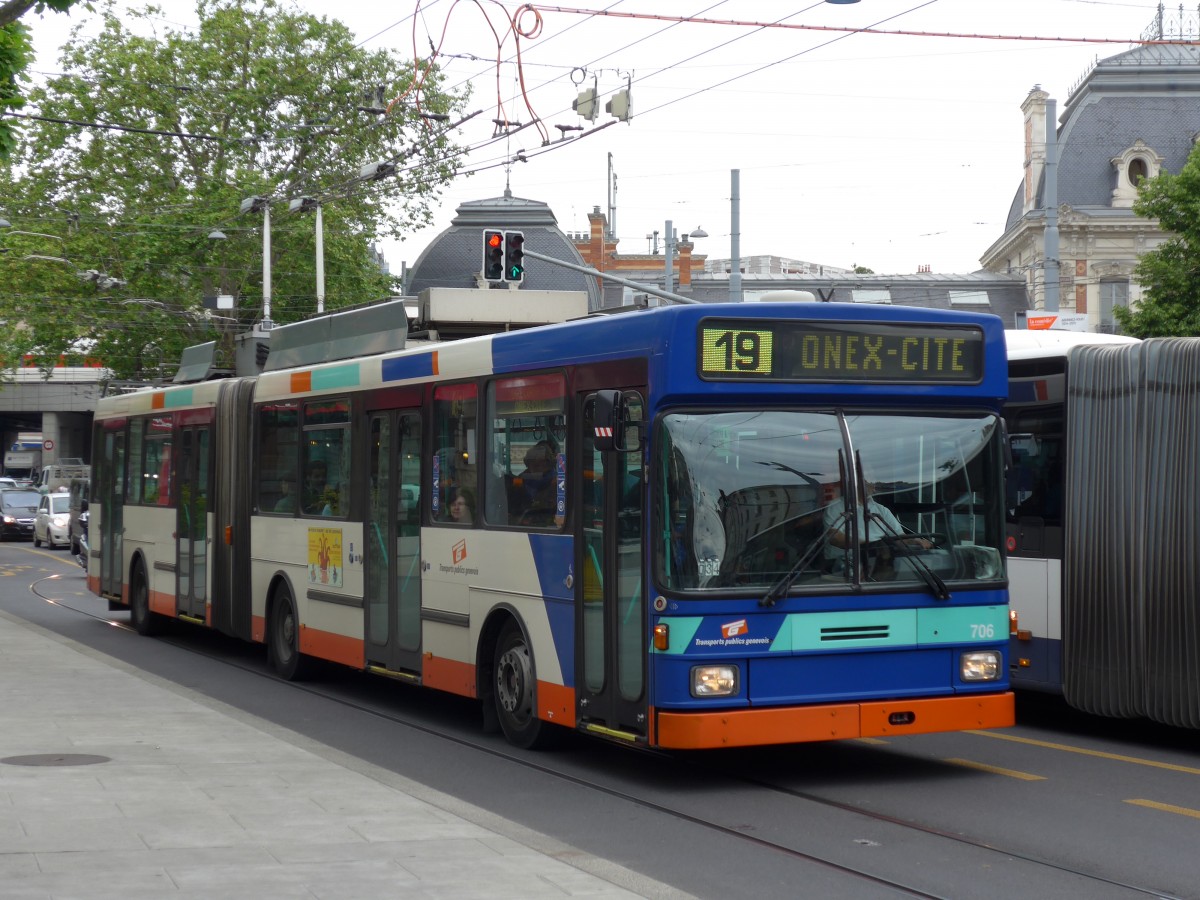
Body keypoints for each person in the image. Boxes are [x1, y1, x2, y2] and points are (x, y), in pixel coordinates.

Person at [823, 480, 931, 573]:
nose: (872, 483)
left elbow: (899, 538)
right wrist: (872, 546)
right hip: (842, 567)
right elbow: (836, 538)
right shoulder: (836, 506)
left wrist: (914, 541)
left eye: (873, 479)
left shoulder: (881, 510)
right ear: (855, 481)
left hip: (878, 563)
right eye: (868, 480)